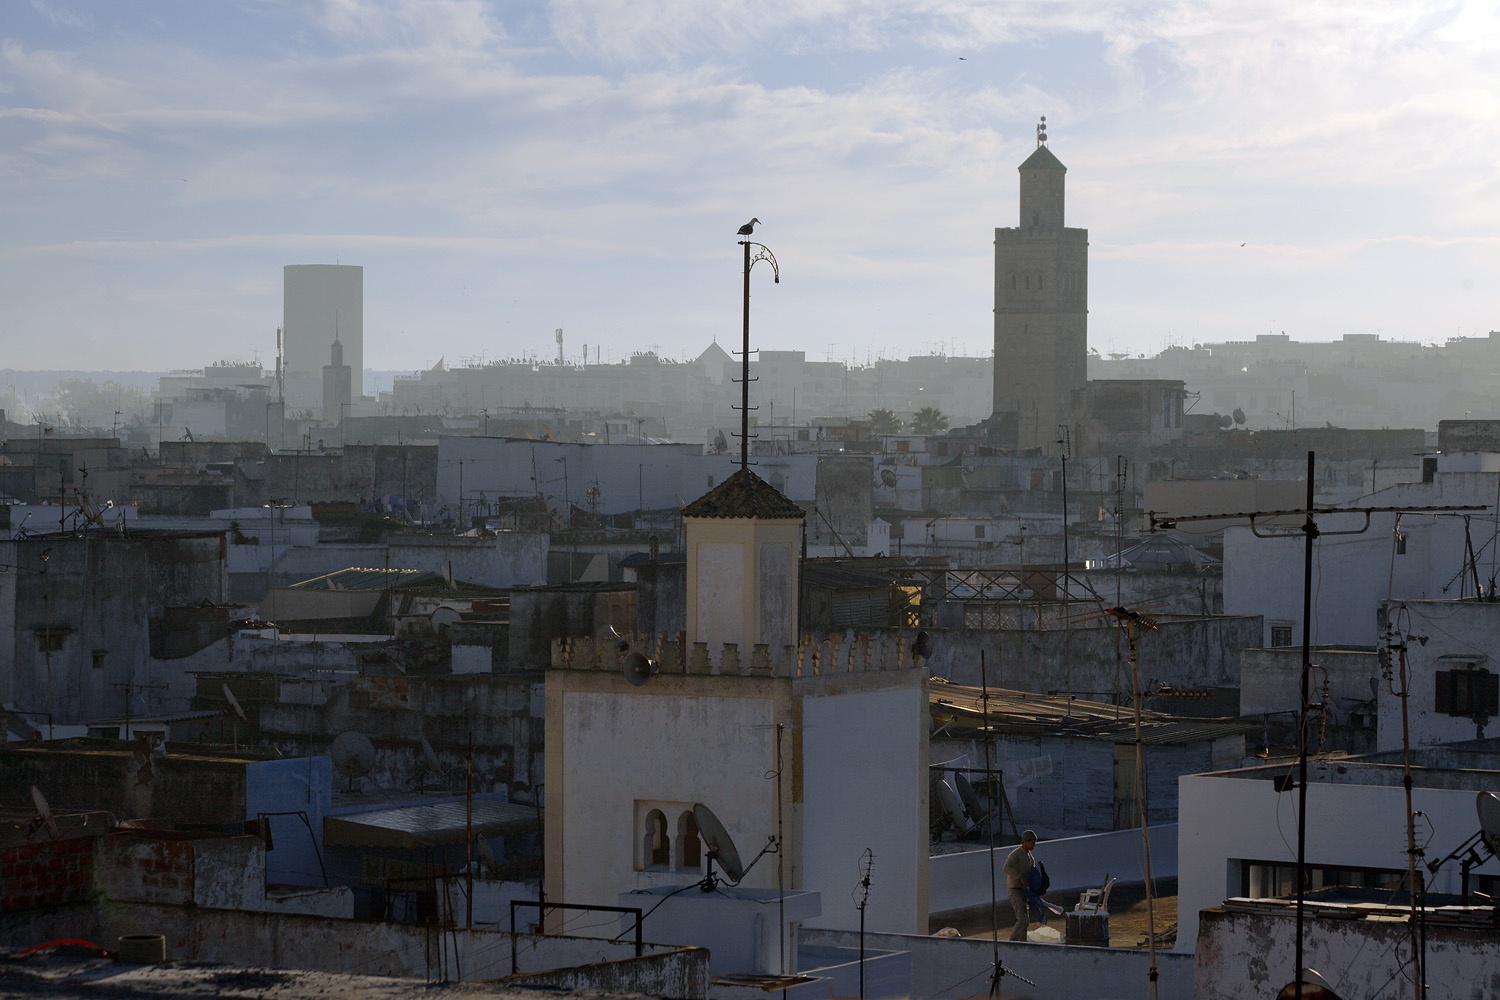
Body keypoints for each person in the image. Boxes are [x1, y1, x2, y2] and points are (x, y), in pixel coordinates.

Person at [1003, 829, 1039, 941]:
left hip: (1024, 890)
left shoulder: (1030, 857)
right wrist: (1019, 877)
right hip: (1015, 890)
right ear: (1025, 841)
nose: (1034, 845)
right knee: (1022, 919)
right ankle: (1012, 942)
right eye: (1032, 842)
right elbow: (1006, 868)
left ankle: (1022, 943)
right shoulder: (1016, 854)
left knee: (1026, 920)